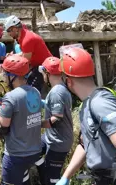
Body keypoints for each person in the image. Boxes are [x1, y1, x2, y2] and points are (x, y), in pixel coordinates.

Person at [56, 48, 116, 185]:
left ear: (68, 81)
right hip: (101, 178)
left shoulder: (100, 103)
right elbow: (85, 144)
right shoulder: (87, 105)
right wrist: (66, 176)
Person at [0, 54, 43, 185]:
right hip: (34, 151)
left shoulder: (10, 97)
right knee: (24, 181)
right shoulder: (36, 92)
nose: (4, 77)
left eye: (5, 74)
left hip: (16, 155)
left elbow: (3, 126)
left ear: (13, 76)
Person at [34, 56, 73, 185]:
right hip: (50, 137)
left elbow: (56, 119)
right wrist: (44, 103)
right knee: (34, 150)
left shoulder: (57, 92)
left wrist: (37, 124)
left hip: (58, 141)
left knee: (51, 179)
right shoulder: (60, 88)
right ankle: (42, 169)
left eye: (43, 73)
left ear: (47, 73)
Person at [4, 15, 53, 92]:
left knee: (31, 89)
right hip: (39, 65)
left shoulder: (27, 40)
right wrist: (13, 56)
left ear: (14, 28)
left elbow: (25, 63)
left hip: (44, 67)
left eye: (8, 31)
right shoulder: (23, 36)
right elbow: (25, 53)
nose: (8, 34)